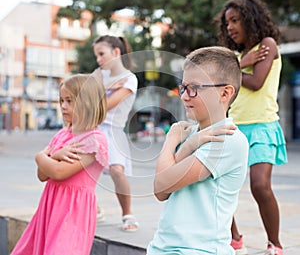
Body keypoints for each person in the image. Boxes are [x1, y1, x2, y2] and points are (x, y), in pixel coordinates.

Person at [147, 46, 249, 255]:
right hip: (164, 247)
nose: (184, 96)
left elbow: (161, 184)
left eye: (194, 88)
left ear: (225, 92)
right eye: (183, 87)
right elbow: (162, 192)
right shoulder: (193, 133)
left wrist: (171, 141)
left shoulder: (227, 139)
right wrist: (191, 143)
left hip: (198, 250)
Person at [216, 0, 288, 255]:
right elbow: (217, 82)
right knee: (218, 184)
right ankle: (234, 239)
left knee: (260, 185)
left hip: (262, 126)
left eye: (235, 20)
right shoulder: (236, 56)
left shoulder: (267, 45)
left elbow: (256, 82)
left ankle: (275, 243)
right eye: (227, 23)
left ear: (250, 19)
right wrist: (237, 64)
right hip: (233, 127)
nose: (230, 27)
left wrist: (231, 70)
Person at [11, 74, 108, 254]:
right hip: (51, 206)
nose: (63, 106)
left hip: (73, 212)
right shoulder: (62, 135)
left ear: (88, 103)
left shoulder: (93, 140)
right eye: (61, 100)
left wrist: (42, 156)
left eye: (70, 101)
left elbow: (57, 171)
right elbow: (42, 175)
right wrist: (49, 156)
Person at [93, 35, 139, 232]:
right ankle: (94, 209)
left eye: (101, 54)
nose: (98, 59)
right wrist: (106, 87)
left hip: (113, 131)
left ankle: (127, 214)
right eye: (96, 55)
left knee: (116, 171)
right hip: (92, 128)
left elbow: (106, 105)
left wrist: (100, 91)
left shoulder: (130, 79)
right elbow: (82, 96)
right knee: (82, 171)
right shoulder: (99, 74)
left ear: (116, 52)